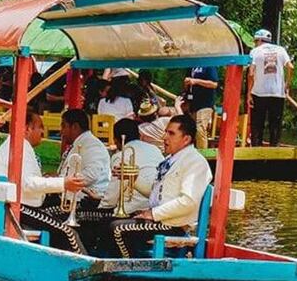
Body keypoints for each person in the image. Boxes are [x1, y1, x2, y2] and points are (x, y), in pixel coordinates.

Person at [109, 114, 211, 258]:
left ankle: (129, 271)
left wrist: (154, 214)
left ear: (186, 139)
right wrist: (132, 178)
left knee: (117, 229)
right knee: (112, 220)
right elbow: (155, 193)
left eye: (171, 133)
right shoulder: (171, 160)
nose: (164, 137)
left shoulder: (195, 162)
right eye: (165, 132)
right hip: (161, 221)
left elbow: (188, 202)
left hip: (173, 226)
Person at [0, 111, 87, 253]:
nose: (43, 131)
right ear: (26, 128)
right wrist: (63, 184)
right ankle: (84, 269)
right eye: (39, 126)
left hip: (16, 204)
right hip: (18, 208)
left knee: (62, 223)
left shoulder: (17, 144)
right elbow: (28, 184)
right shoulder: (19, 146)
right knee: (68, 232)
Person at [99, 119, 163, 214]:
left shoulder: (120, 156)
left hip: (130, 210)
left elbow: (111, 198)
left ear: (116, 140)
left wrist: (99, 208)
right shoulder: (155, 150)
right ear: (140, 136)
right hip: (156, 207)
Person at [55, 109, 111, 210]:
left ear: (75, 127)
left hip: (85, 203)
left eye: (64, 126)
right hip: (71, 198)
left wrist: (62, 182)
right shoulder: (82, 142)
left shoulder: (93, 145)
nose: (61, 131)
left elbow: (91, 175)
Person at [248, 29, 293, 147]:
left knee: (257, 124)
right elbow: (291, 67)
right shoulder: (281, 50)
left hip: (259, 93)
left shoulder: (255, 51)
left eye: (255, 41)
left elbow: (251, 73)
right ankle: (275, 148)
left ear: (259, 40)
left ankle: (256, 149)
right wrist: (286, 85)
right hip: (278, 93)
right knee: (275, 124)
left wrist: (249, 93)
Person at [184, 65, 218, 148]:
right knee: (190, 130)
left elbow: (214, 84)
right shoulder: (191, 66)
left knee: (200, 129)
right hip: (192, 103)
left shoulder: (209, 65)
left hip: (205, 103)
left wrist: (196, 81)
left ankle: (203, 155)